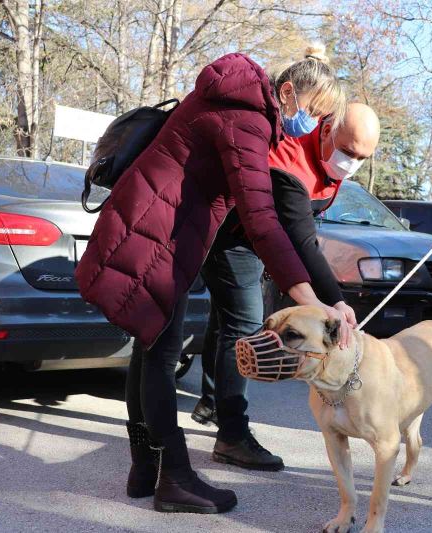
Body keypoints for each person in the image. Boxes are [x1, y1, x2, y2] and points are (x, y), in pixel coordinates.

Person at [75, 47, 348, 514]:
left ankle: (146, 468)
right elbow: (262, 221)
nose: (313, 125)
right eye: (315, 112)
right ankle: (174, 478)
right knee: (160, 354)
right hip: (158, 235)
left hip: (157, 228)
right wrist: (314, 300)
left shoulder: (233, 103)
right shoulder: (247, 119)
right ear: (287, 93)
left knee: (150, 348)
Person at [191, 102, 381, 471]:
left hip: (259, 242)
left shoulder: (327, 161)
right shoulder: (291, 163)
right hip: (232, 241)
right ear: (326, 130)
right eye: (348, 151)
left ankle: (214, 402)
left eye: (361, 157)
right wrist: (335, 301)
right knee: (244, 325)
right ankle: (232, 436)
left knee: (226, 319)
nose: (351, 162)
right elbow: (302, 241)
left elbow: (303, 233)